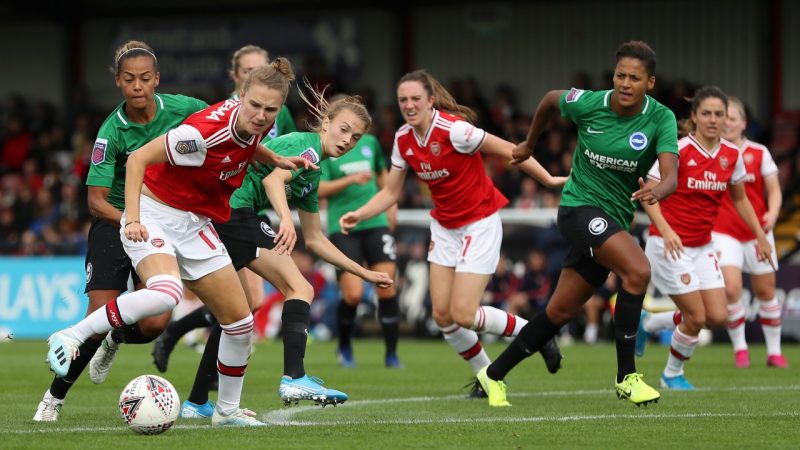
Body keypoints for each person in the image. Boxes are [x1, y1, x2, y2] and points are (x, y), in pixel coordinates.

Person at [45, 60, 309, 427]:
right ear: (241, 96)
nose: (262, 116)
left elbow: (249, 144)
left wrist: (274, 157)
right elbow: (138, 160)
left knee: (240, 322)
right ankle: (73, 334)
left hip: (194, 221)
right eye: (255, 106)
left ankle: (227, 412)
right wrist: (132, 219)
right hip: (154, 213)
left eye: (271, 110)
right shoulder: (202, 134)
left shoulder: (251, 122)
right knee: (166, 293)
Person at [476, 41, 679, 407]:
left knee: (559, 312)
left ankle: (492, 375)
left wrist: (657, 190)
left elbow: (670, 177)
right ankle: (627, 378)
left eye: (635, 78)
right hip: (577, 209)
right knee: (638, 270)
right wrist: (530, 143)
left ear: (650, 82)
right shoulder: (589, 103)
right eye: (620, 75)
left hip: (613, 219)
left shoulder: (660, 118)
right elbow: (550, 100)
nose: (625, 83)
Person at [339, 69, 566, 397]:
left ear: (430, 100)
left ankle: (536, 333)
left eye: (416, 98)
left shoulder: (455, 130)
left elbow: (510, 150)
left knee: (463, 313)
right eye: (403, 100)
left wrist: (548, 180)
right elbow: (390, 192)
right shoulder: (403, 139)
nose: (409, 105)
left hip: (479, 223)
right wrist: (360, 214)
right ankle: (487, 377)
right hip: (445, 227)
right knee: (444, 316)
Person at [176, 90, 393, 416]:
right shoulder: (307, 146)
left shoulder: (313, 172)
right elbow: (273, 181)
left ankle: (196, 403)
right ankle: (294, 377)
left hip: (224, 213)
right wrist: (286, 220)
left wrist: (364, 273)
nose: (348, 140)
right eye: (344, 129)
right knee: (299, 288)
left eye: (356, 137)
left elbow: (316, 240)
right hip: (234, 211)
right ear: (326, 123)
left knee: (235, 315)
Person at [33, 40, 209, 422]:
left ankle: (116, 336)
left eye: (145, 78)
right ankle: (53, 399)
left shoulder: (184, 108)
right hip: (115, 223)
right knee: (97, 315)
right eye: (129, 79)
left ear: (157, 79)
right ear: (118, 81)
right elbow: (95, 202)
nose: (137, 86)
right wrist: (131, 221)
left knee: (155, 321)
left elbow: (220, 127)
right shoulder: (110, 132)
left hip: (159, 220)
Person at [151, 44, 297, 369]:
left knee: (248, 302)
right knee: (246, 302)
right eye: (248, 71)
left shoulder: (277, 112)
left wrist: (280, 165)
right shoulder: (227, 114)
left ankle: (182, 339)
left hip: (253, 205)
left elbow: (271, 151)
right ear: (237, 78)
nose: (258, 75)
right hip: (228, 206)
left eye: (262, 69)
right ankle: (205, 375)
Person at [636, 87, 776, 390]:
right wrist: (667, 230)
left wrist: (761, 236)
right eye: (707, 114)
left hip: (702, 246)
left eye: (719, 114)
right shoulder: (677, 150)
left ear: (726, 118)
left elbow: (740, 199)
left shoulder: (732, 155)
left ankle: (647, 322)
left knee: (717, 316)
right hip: (668, 244)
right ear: (695, 116)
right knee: (696, 317)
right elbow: (648, 195)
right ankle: (671, 374)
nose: (713, 120)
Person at [318, 99, 402, 369]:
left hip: (375, 222)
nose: (350, 135)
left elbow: (383, 176)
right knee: (353, 295)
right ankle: (344, 347)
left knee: (387, 287)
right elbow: (319, 189)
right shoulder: (326, 148)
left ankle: (391, 355)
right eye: (346, 127)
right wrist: (350, 180)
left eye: (355, 130)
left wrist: (391, 206)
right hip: (343, 227)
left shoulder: (370, 144)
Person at [714, 97, 787, 368]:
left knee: (766, 291)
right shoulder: (713, 153)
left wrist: (773, 213)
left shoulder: (759, 152)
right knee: (732, 289)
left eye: (733, 118)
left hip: (758, 231)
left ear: (743, 123)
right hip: (723, 231)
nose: (728, 123)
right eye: (724, 118)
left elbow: (774, 190)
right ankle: (741, 350)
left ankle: (774, 352)